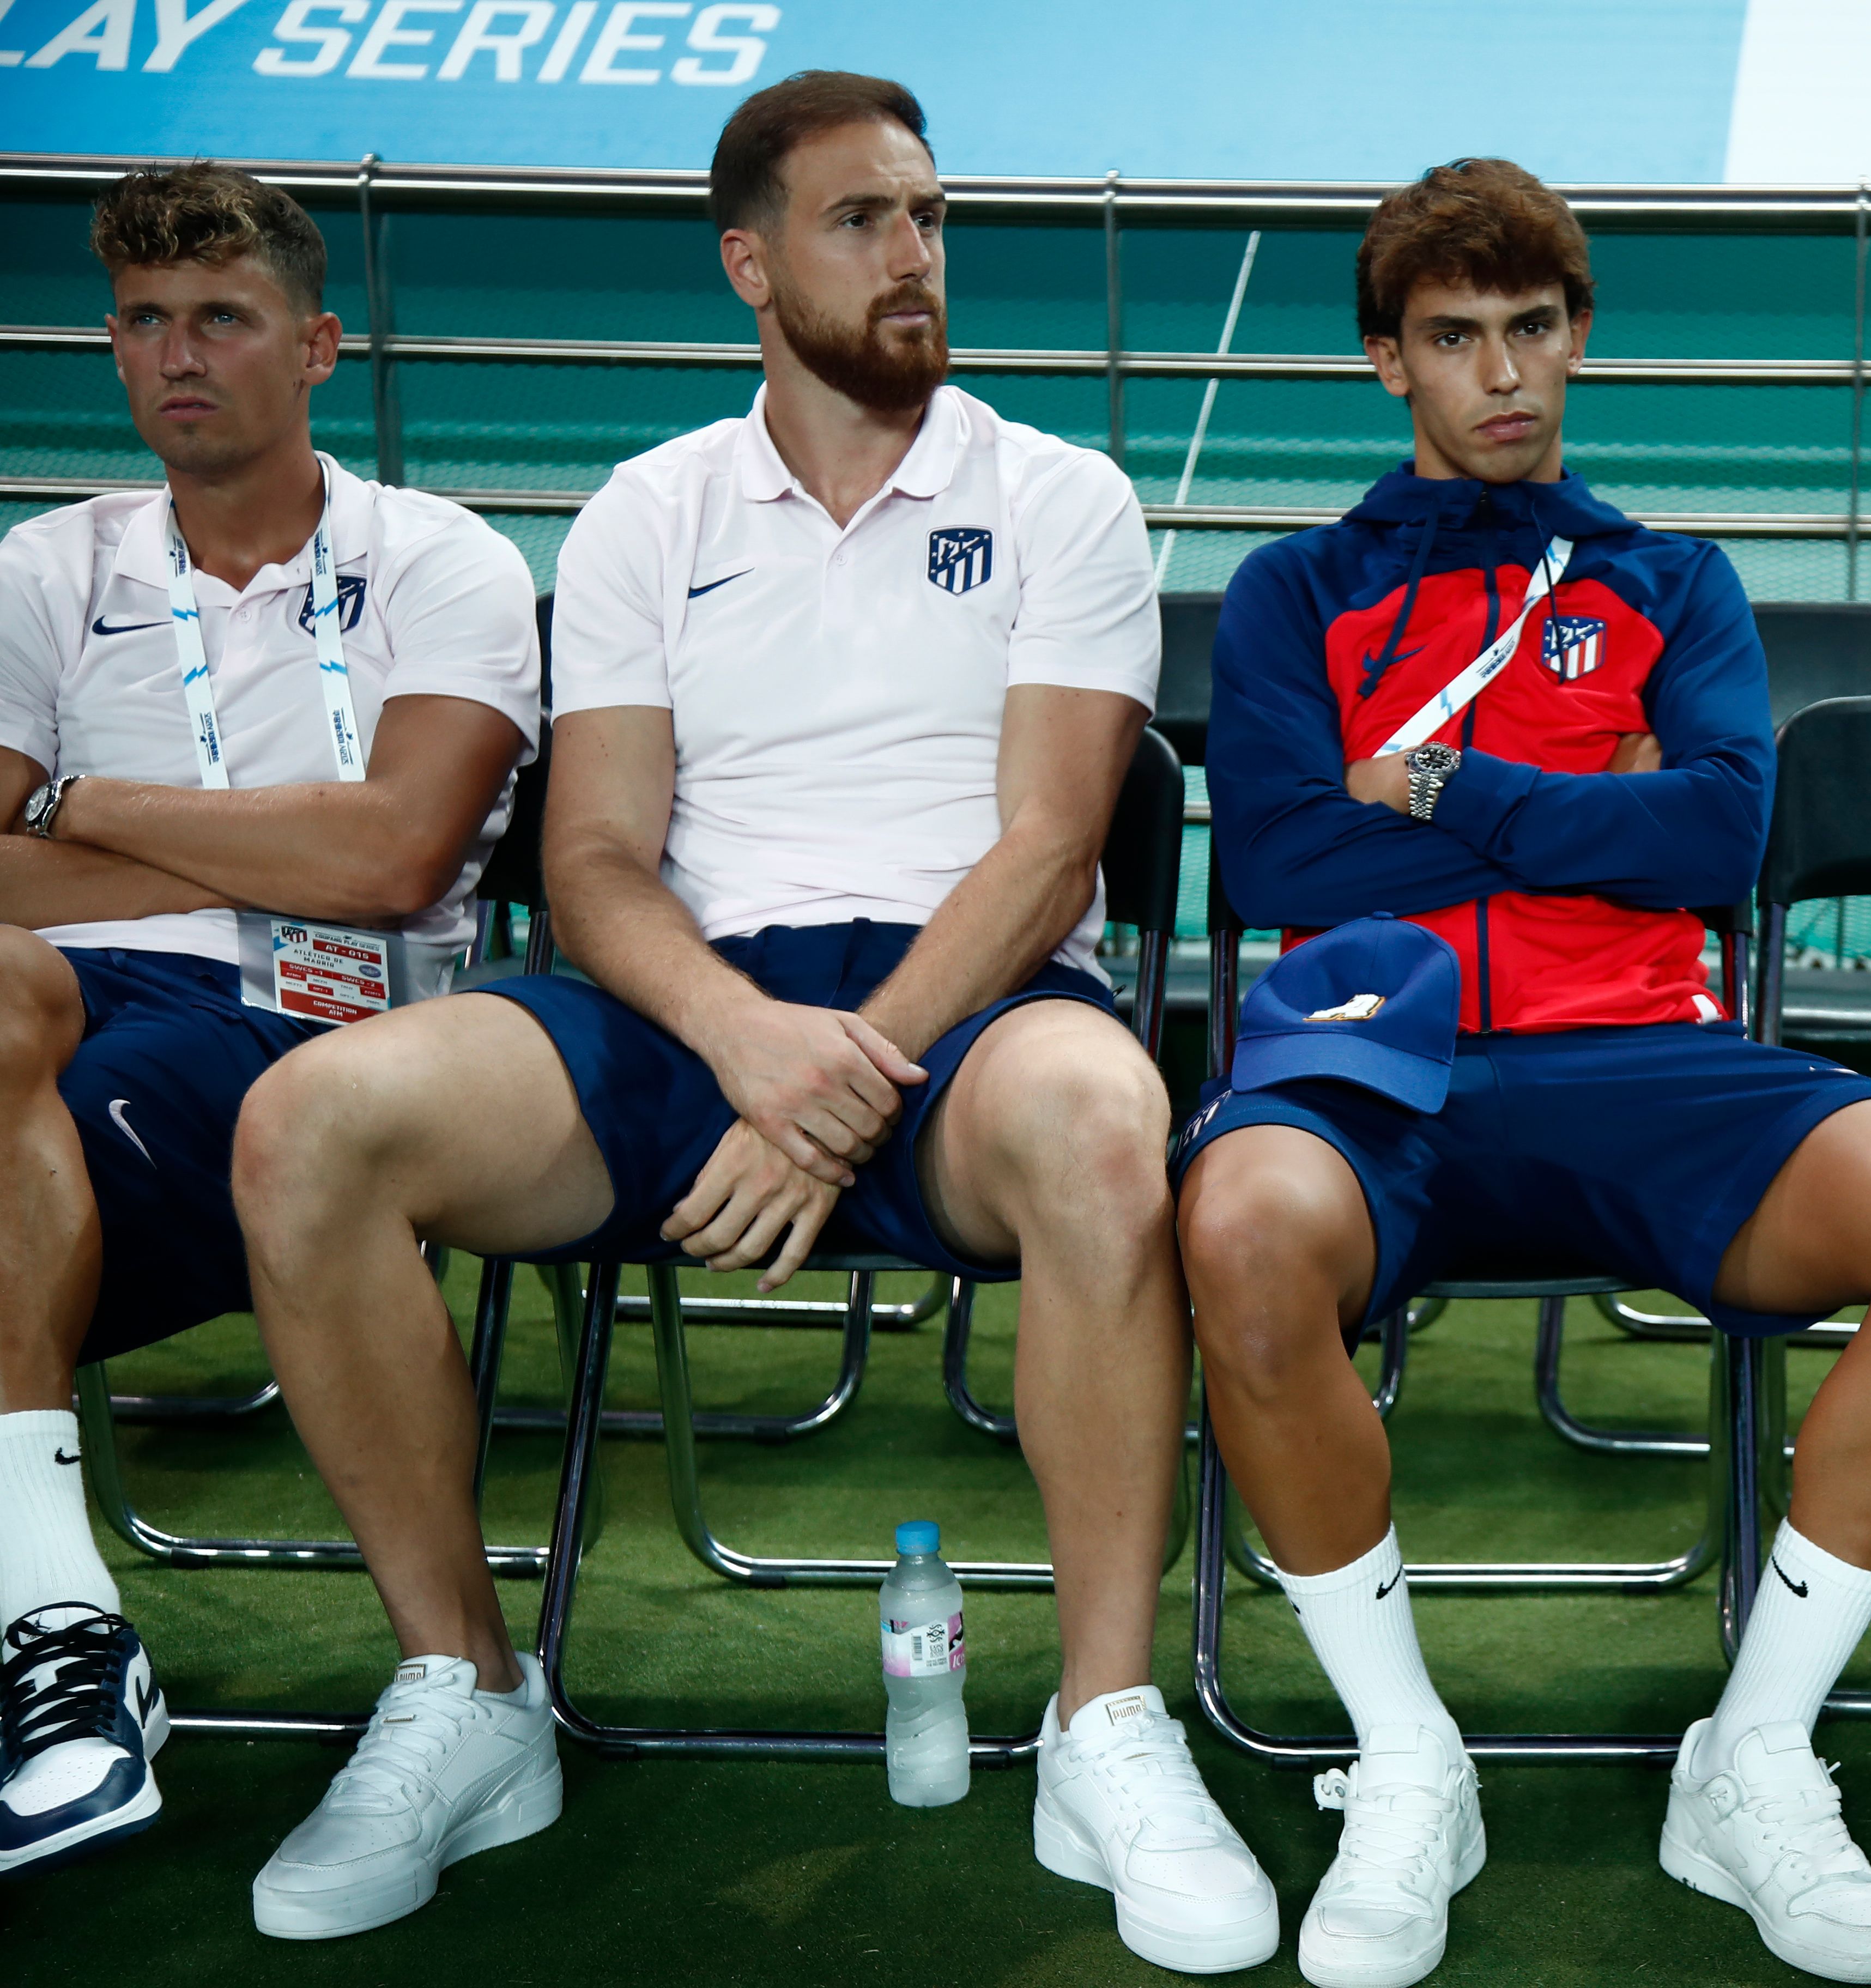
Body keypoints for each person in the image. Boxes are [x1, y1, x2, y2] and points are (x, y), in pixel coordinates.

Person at [223, 74, 1275, 1963]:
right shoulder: (652, 509)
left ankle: (1106, 1722)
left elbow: (1050, 850)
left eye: (929, 216)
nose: (914, 255)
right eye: (862, 219)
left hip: (970, 1001)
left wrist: (840, 1082)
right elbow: (595, 859)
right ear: (751, 264)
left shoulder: (1060, 495)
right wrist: (749, 1044)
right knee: (311, 1121)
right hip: (691, 1009)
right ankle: (469, 1695)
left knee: (1108, 1121)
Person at [1177, 157, 1871, 1988]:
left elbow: (1716, 838)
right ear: (1386, 361)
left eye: (1533, 329)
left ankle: (1755, 1757)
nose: (1502, 374)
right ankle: (1409, 1760)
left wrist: (1433, 784)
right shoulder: (1292, 591)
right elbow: (1276, 857)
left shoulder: (1671, 580)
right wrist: (1591, 812)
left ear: (1579, 337)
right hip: (1366, 1062)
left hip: (1646, 1056)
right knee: (1238, 1225)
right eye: (1454, 337)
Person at [0, 163, 540, 1889]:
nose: (178, 355)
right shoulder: (47, 565)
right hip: (64, 992)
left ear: (315, 347)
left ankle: (52, 1648)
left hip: (310, 1023)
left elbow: (392, 862)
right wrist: (268, 839)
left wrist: (78, 802)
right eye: (144, 322)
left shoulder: (440, 560)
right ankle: (57, 1621)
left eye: (222, 319)